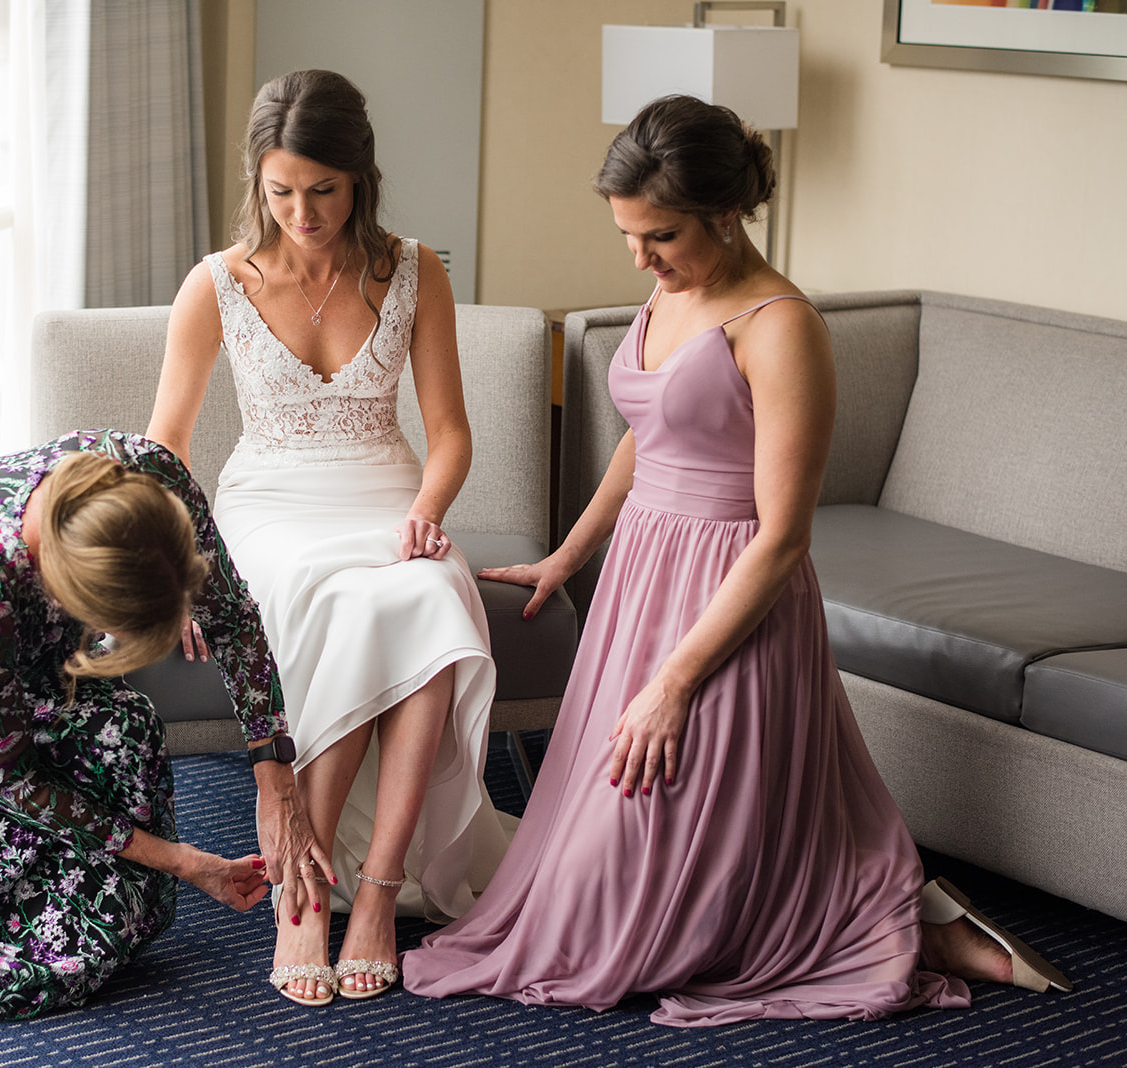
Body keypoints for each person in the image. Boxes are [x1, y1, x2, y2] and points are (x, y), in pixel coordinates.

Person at [402, 95, 1071, 1025]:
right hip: (643, 580)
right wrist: (569, 554)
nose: (640, 256)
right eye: (629, 234)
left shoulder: (780, 326)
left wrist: (676, 681)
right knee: (583, 878)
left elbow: (784, 537)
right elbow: (650, 431)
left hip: (730, 597)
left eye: (660, 234)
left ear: (724, 213)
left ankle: (900, 922)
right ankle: (894, 905)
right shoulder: (670, 289)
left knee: (628, 891)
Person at [145, 69, 511, 1006]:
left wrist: (428, 509)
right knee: (339, 593)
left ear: (361, 178)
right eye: (280, 192)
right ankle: (302, 896)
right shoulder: (216, 283)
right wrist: (187, 569)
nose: (301, 214)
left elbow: (452, 431)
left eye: (323, 191)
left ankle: (381, 890)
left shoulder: (414, 269)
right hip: (270, 504)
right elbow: (166, 447)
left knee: (427, 591)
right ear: (256, 185)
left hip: (386, 493)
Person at [0, 429, 321, 1024]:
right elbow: (10, 779)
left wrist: (275, 778)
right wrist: (183, 860)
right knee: (63, 946)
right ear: (69, 598)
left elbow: (231, 619)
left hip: (19, 674)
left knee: (128, 734)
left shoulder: (151, 475)